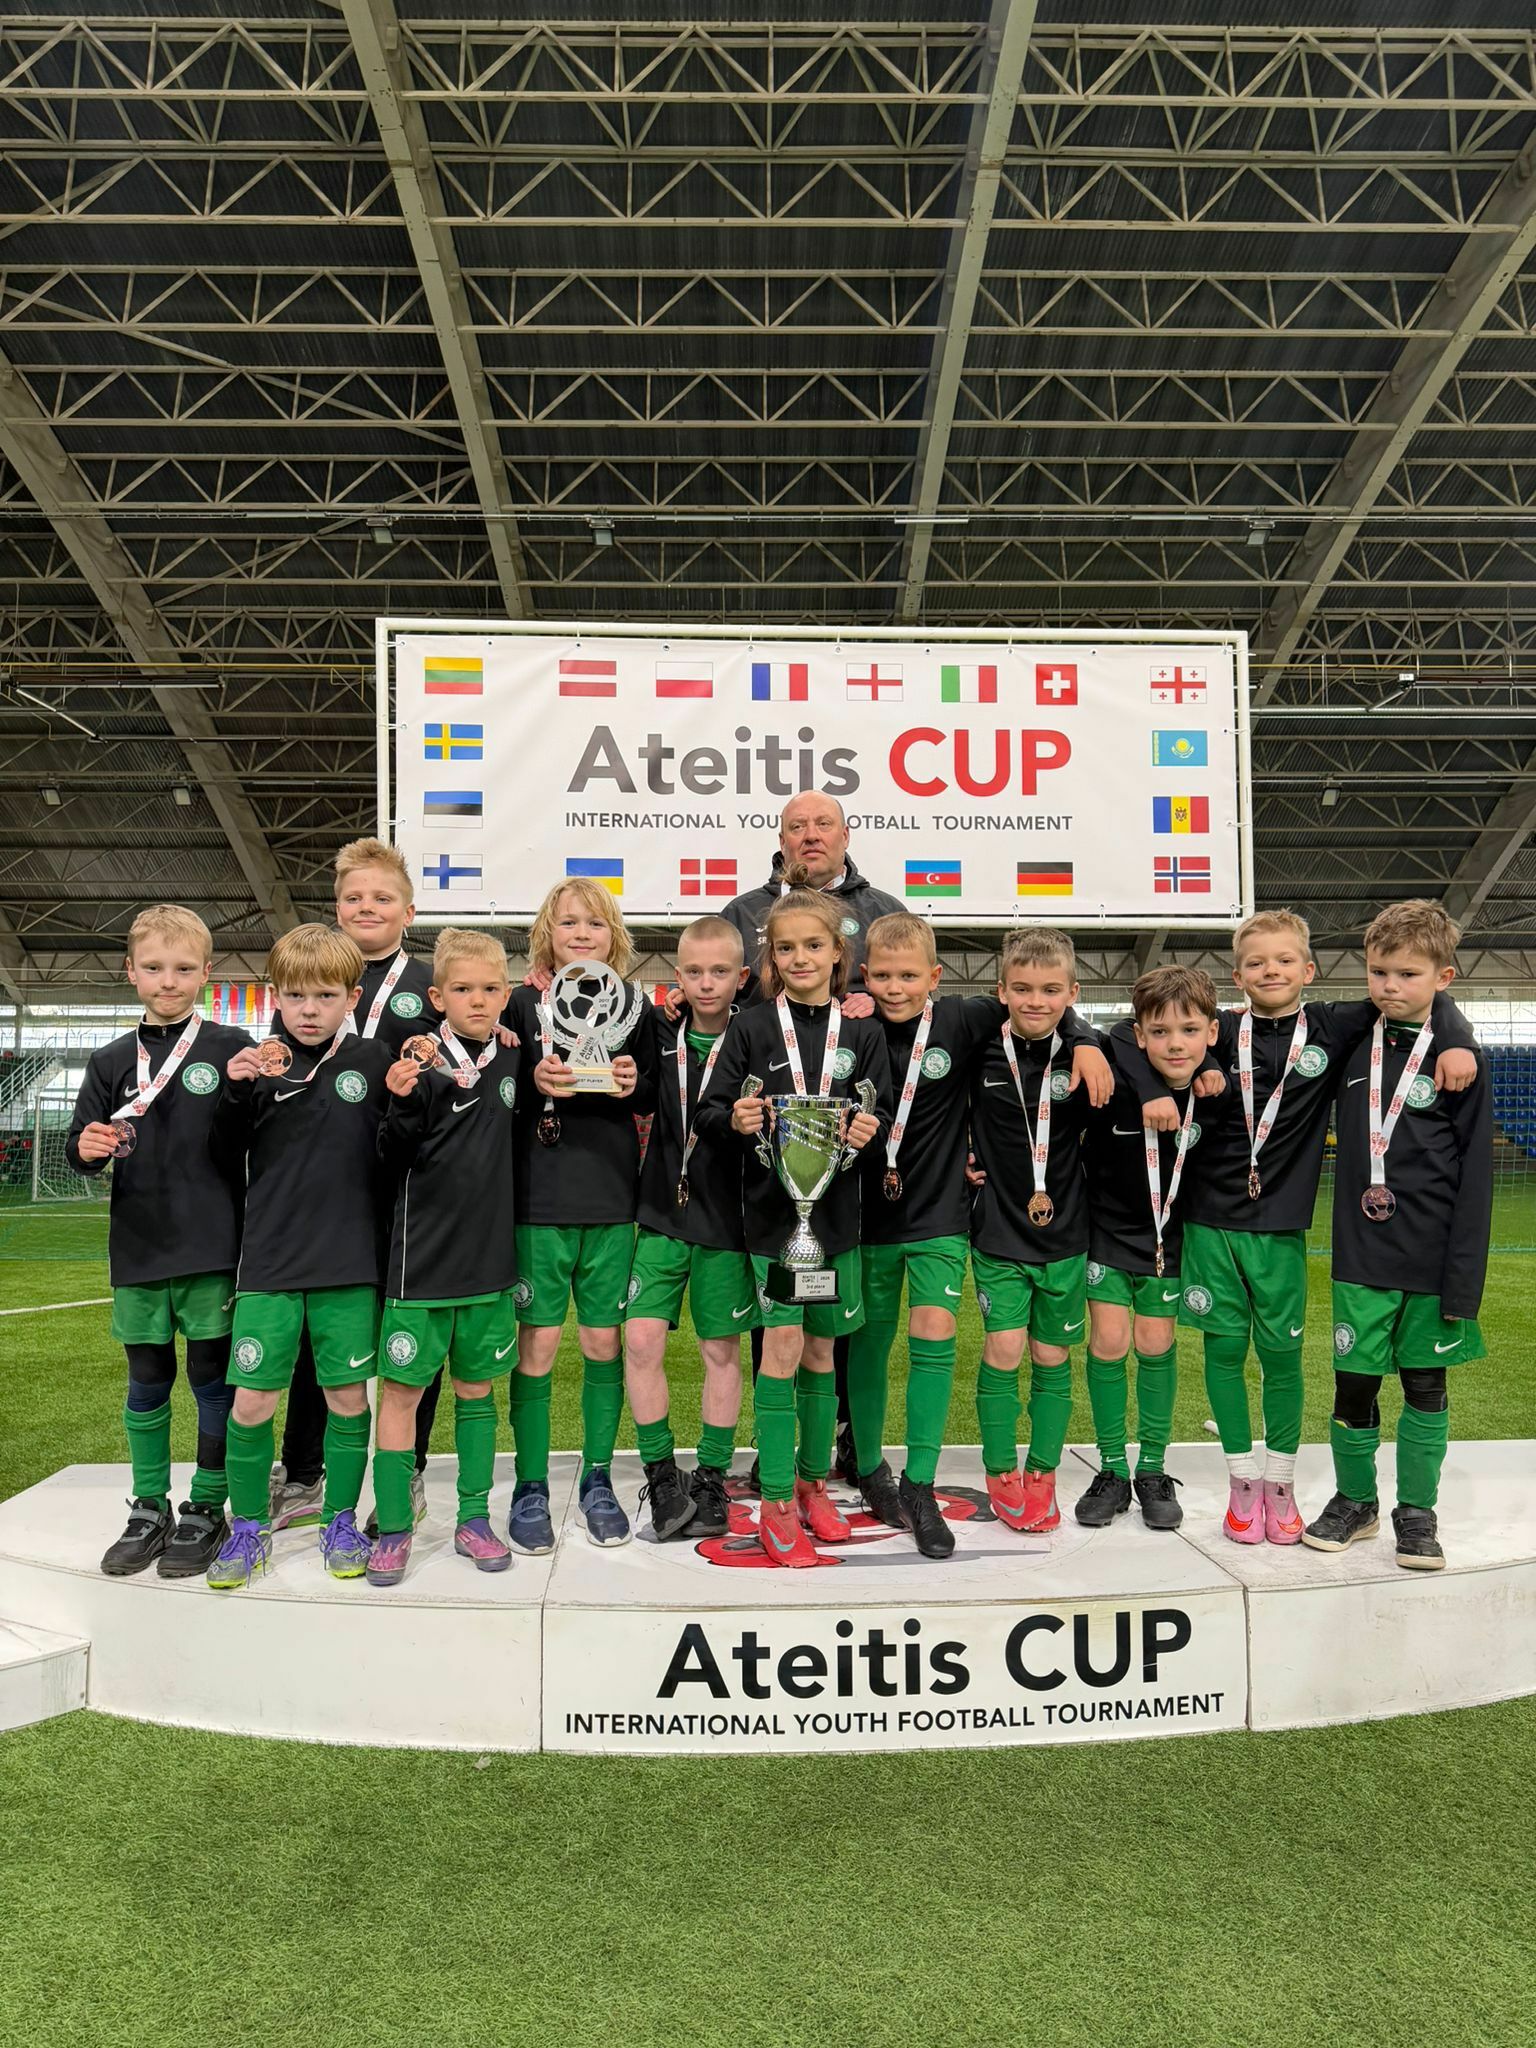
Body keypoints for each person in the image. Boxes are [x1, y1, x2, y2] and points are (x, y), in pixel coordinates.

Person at [1112, 908, 1477, 1545]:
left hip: (1281, 1228)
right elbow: (1124, 1031)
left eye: (1284, 960)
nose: (1271, 971)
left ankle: (1279, 1483)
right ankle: (1241, 1482)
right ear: (1237, 976)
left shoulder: (1334, 1025)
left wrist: (1457, 1039)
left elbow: (1420, 993)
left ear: (1309, 970)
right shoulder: (1219, 1030)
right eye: (1256, 963)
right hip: (1208, 1222)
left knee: (1282, 1360)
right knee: (1224, 1355)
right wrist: (1152, 1089)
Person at [850, 913, 1111, 1556]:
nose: (894, 987)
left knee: (935, 1336)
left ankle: (920, 1484)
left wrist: (1083, 1039)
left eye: (909, 976)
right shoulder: (850, 1025)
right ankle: (868, 1468)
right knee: (869, 1347)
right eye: (882, 976)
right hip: (864, 1216)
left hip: (941, 1216)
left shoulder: (965, 1019)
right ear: (864, 976)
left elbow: (1045, 1003)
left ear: (935, 977)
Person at [697, 877, 893, 1566]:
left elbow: (880, 1109)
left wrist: (870, 1127)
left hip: (836, 1224)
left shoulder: (863, 1032)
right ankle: (777, 1497)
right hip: (775, 1224)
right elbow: (711, 1110)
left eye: (813, 945)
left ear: (839, 953)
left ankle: (813, 1484)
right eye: (786, 948)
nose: (800, 958)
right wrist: (735, 1117)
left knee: (821, 1355)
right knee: (780, 1350)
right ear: (771, 958)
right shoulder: (751, 1028)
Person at [204, 925, 394, 1589]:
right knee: (252, 1402)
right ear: (275, 996)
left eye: (325, 995)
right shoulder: (259, 1065)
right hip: (270, 1263)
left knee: (346, 1398)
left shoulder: (374, 1060)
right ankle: (249, 1528)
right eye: (295, 996)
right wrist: (233, 1091)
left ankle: (339, 1520)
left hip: (350, 1262)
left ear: (352, 997)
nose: (309, 1009)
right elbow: (223, 1153)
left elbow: (401, 1145)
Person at [66, 905, 253, 1578]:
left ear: (206, 973)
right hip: (140, 1247)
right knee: (147, 1379)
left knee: (211, 1379)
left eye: (181, 968)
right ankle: (148, 1506)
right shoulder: (110, 1060)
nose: (167, 981)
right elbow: (81, 1147)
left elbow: (252, 1136)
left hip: (212, 1246)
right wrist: (86, 1148)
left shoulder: (232, 1046)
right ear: (130, 972)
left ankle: (206, 1504)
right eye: (153, 967)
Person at [1304, 901, 1491, 1570]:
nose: (1390, 986)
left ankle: (1417, 1513)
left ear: (1443, 977)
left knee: (1425, 1387)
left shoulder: (1459, 1058)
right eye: (1378, 971)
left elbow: (1476, 1177)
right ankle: (1356, 1501)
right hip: (1361, 1255)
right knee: (1353, 1387)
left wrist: (1463, 1283)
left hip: (1432, 1260)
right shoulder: (1350, 1038)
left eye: (1408, 974)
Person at [274, 838, 437, 1537]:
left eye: (381, 897)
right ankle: (303, 1473)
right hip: (330, 1186)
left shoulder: (432, 982)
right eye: (352, 898)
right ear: (336, 908)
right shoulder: (311, 976)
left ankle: (408, 1471)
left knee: (411, 1330)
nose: (366, 907)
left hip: (412, 1181)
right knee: (319, 1333)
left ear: (408, 910)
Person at [503, 876, 657, 1552]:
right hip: (539, 1199)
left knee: (602, 1343)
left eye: (594, 923)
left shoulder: (636, 1005)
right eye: (568, 923)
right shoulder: (519, 1004)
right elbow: (494, 1088)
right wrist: (529, 1080)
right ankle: (530, 1483)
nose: (582, 934)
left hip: (610, 1197)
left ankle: (598, 1477)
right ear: (548, 932)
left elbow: (653, 1088)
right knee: (536, 1345)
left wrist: (632, 1083)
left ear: (613, 934)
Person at [367, 928, 522, 1585]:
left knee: (476, 1394)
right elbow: (388, 1156)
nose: (477, 1000)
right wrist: (401, 1102)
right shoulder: (419, 1062)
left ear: (507, 996)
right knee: (402, 1393)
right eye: (462, 989)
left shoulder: (512, 1057)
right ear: (438, 998)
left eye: (490, 989)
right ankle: (394, 1525)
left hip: (488, 1264)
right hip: (420, 1267)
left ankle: (474, 1519)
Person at [1079, 966, 1225, 1532]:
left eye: (1189, 1031)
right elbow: (1110, 1032)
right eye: (1159, 1032)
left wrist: (1212, 1067)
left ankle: (1153, 1470)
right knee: (1109, 1342)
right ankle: (1113, 1469)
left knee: (1156, 1342)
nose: (1175, 1044)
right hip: (1108, 1233)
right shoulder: (1117, 1077)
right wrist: (1150, 1085)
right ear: (1141, 1036)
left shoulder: (1216, 1090)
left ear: (1211, 1033)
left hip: (1171, 1238)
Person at [624, 915, 755, 1542]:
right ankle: (660, 1474)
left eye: (720, 972)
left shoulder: (757, 1036)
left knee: (720, 1351)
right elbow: (635, 1089)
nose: (707, 983)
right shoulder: (660, 1029)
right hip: (660, 1213)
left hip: (727, 1221)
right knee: (640, 1340)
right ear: (677, 976)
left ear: (742, 977)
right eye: (695, 972)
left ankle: (709, 1475)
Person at [967, 927, 1102, 1536]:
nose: (1035, 1000)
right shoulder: (979, 1045)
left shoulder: (1087, 1052)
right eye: (1022, 988)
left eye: (1051, 990)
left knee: (1051, 1354)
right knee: (1003, 1348)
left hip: (1067, 1233)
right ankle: (1000, 1469)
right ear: (1002, 991)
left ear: (1072, 993)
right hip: (998, 1229)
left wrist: (1085, 1039)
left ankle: (1043, 1470)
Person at [720, 789, 903, 1007]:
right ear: (782, 842)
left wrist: (879, 1007)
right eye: (798, 827)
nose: (811, 836)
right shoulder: (740, 915)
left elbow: (915, 997)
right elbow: (711, 995)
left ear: (845, 836)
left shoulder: (886, 913)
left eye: (823, 824)